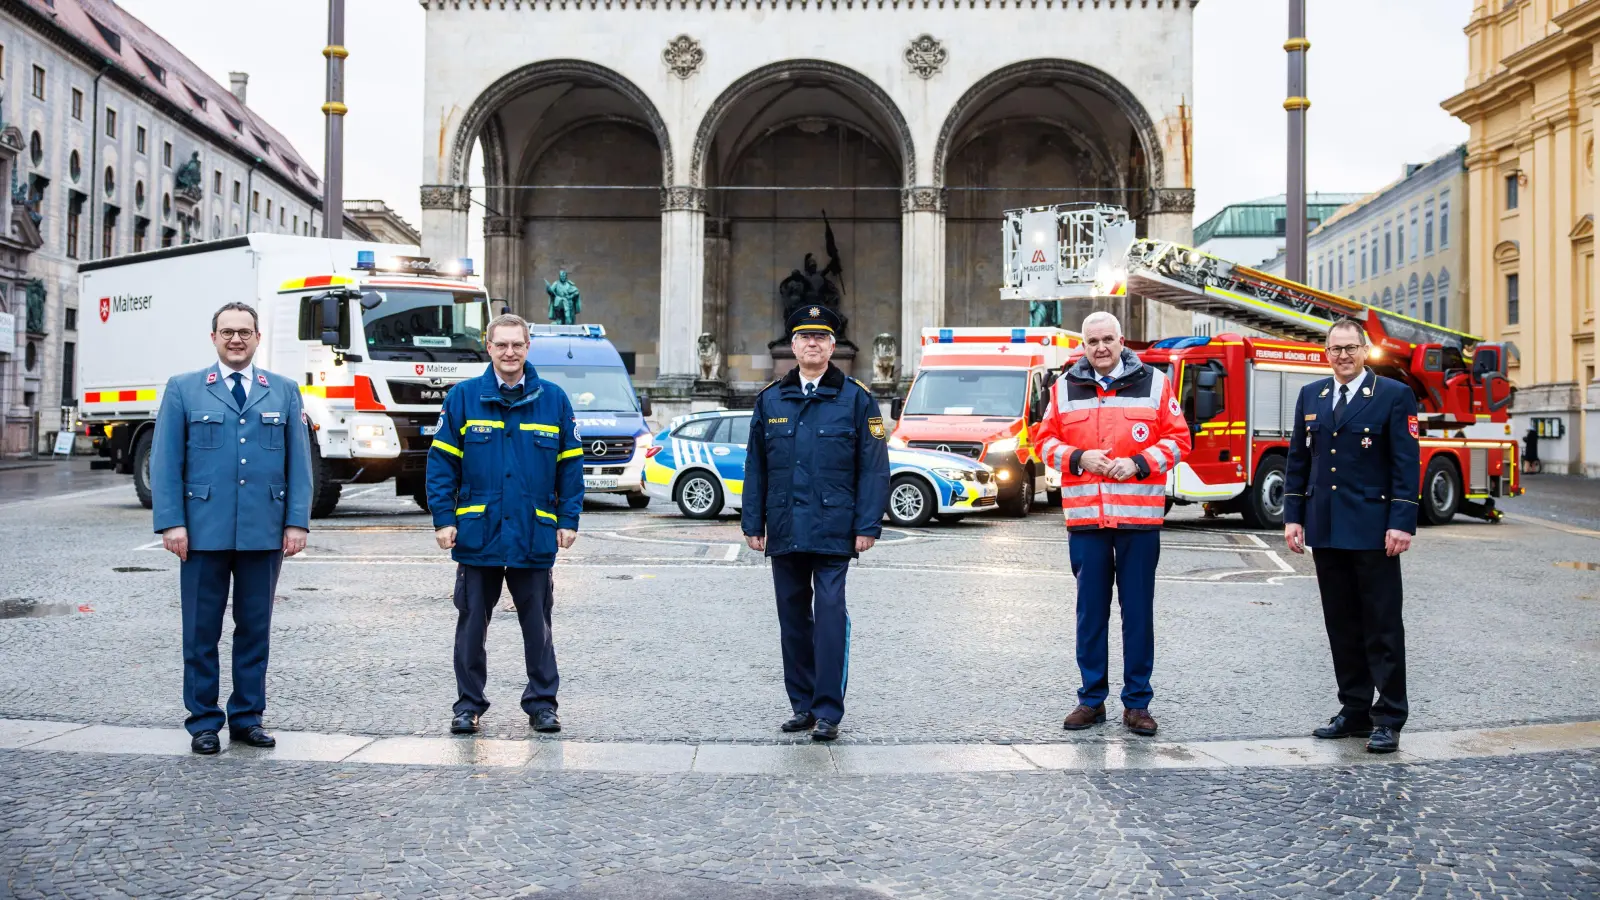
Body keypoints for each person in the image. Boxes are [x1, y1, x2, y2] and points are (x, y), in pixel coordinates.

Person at [150, 301, 312, 755]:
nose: (236, 339)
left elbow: (299, 463)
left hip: (263, 531)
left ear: (258, 338)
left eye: (244, 332)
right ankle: (203, 721)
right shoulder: (184, 389)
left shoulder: (283, 390)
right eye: (227, 332)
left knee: (254, 630)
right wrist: (172, 523)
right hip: (202, 532)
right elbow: (166, 461)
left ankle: (247, 718)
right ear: (213, 338)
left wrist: (296, 522)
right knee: (201, 631)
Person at [1032, 311, 1189, 737]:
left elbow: (1179, 440)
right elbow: (1043, 442)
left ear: (1122, 341)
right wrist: (1079, 457)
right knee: (1090, 616)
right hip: (1087, 521)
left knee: (1137, 615)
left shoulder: (1155, 384)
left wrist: (1138, 463)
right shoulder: (1064, 388)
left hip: (1138, 521)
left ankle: (1137, 704)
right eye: (1092, 341)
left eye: (1107, 339)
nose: (1100, 348)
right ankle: (1091, 700)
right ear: (1082, 346)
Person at [426, 313, 584, 735]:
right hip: (478, 533)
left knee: (538, 627)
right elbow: (441, 465)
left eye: (517, 344)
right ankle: (468, 705)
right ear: (489, 348)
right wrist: (443, 519)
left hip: (533, 531)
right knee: (471, 625)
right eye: (502, 345)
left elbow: (570, 467)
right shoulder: (462, 398)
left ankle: (542, 704)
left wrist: (569, 519)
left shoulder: (554, 400)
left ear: (528, 347)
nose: (509, 352)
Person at [742, 305, 889, 742]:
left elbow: (874, 467)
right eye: (805, 337)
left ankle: (827, 710)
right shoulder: (771, 399)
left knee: (828, 616)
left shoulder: (857, 399)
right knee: (792, 621)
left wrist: (867, 525)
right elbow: (757, 467)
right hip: (785, 526)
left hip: (833, 528)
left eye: (821, 337)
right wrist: (753, 522)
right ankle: (802, 706)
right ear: (793, 346)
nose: (812, 343)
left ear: (832, 346)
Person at [1284, 317, 1419, 754]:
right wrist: (1293, 517)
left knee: (1382, 625)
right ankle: (1355, 709)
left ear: (1365, 351)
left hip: (1374, 529)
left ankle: (1389, 717)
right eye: (1335, 349)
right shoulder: (1312, 395)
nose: (1342, 356)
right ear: (1326, 353)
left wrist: (1402, 521)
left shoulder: (1393, 395)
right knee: (1341, 625)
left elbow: (1405, 463)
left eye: (1350, 348)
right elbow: (1299, 461)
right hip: (1326, 528)